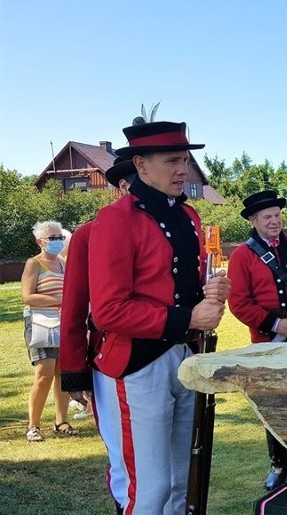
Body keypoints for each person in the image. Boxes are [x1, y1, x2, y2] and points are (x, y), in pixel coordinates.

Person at [87, 120, 230, 513]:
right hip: (136, 364)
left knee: (179, 483)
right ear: (142, 165)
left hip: (182, 358)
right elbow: (109, 310)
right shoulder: (115, 220)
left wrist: (213, 293)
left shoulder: (189, 218)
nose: (183, 169)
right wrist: (188, 318)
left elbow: (186, 290)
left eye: (185, 159)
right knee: (149, 489)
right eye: (172, 160)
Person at [228, 190, 287, 490]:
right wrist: (276, 323)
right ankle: (278, 464)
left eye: (277, 215)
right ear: (253, 220)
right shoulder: (242, 256)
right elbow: (238, 303)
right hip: (269, 340)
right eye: (268, 217)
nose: (275, 221)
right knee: (274, 404)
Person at [60, 157, 137, 427]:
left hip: (175, 353)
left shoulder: (177, 226)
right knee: (123, 459)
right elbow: (74, 305)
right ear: (125, 185)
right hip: (115, 352)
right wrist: (74, 370)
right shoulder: (88, 234)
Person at [21, 220, 78, 442]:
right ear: (40, 241)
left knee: (63, 373)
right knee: (44, 374)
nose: (58, 241)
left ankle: (61, 421)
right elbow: (27, 296)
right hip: (41, 325)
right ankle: (33, 425)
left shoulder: (64, 263)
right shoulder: (33, 264)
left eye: (60, 237)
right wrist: (59, 301)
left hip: (63, 324)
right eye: (52, 238)